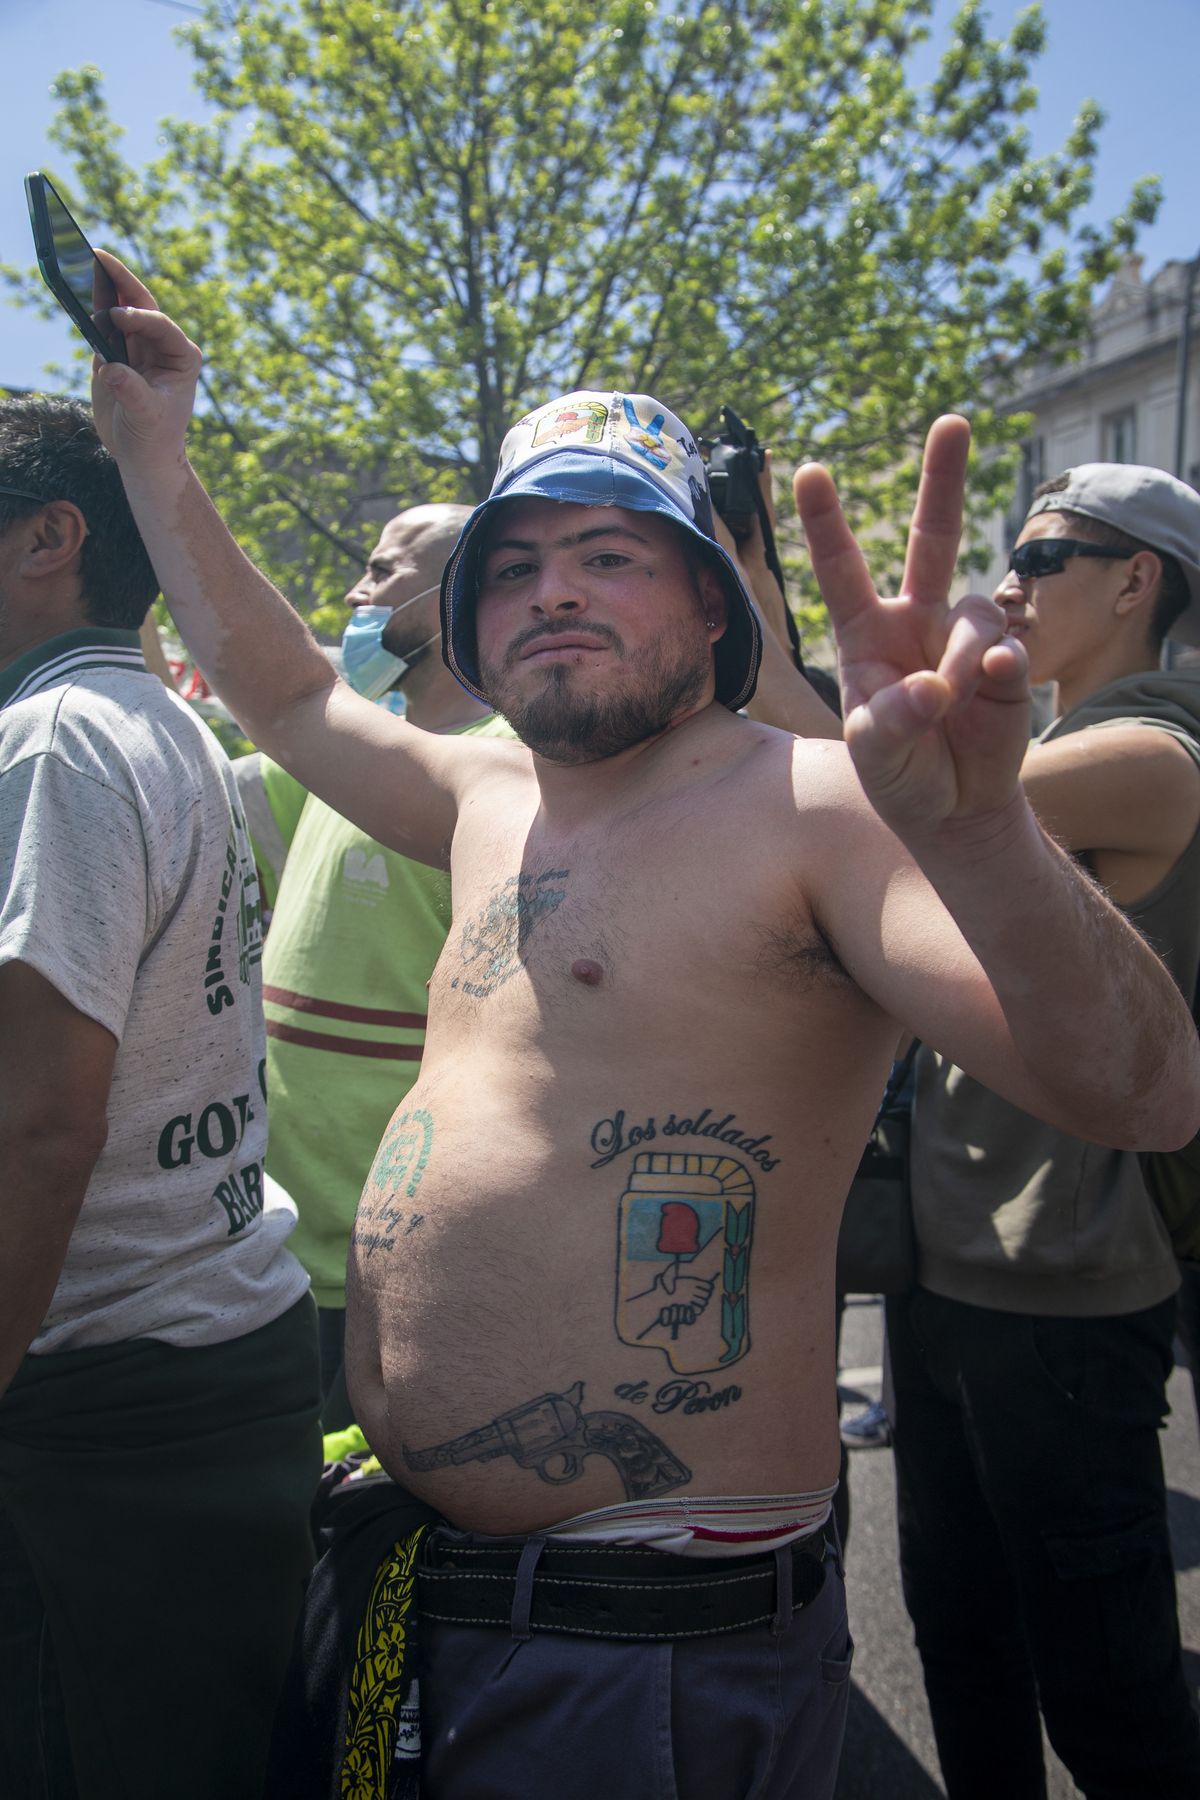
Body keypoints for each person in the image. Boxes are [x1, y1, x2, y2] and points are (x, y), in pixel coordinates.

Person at [89, 260, 1200, 1800]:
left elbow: (1140, 1091)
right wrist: (154, 442)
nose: (552, 588)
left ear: (709, 597)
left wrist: (987, 827)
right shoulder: (482, 793)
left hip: (649, 1635)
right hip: (431, 1586)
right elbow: (280, 693)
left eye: (610, 553)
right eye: (516, 560)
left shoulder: (814, 803)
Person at [0, 394, 322, 1800]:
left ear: (49, 537)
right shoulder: (148, 719)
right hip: (214, 1345)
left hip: (100, 1400)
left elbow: (39, 1121)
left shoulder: (53, 741)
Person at [891, 462, 1200, 1799]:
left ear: (1138, 582)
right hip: (953, 1261)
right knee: (965, 1648)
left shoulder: (1156, 743)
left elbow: (897, 805)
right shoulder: (1051, 741)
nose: (1007, 581)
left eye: (1044, 554)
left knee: (1109, 1697)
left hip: (1064, 1287)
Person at [236, 505, 510, 1424]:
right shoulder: (352, 742)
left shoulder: (509, 774)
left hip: (378, 1257)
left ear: (454, 596)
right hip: (270, 1235)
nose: (356, 592)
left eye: (384, 571)